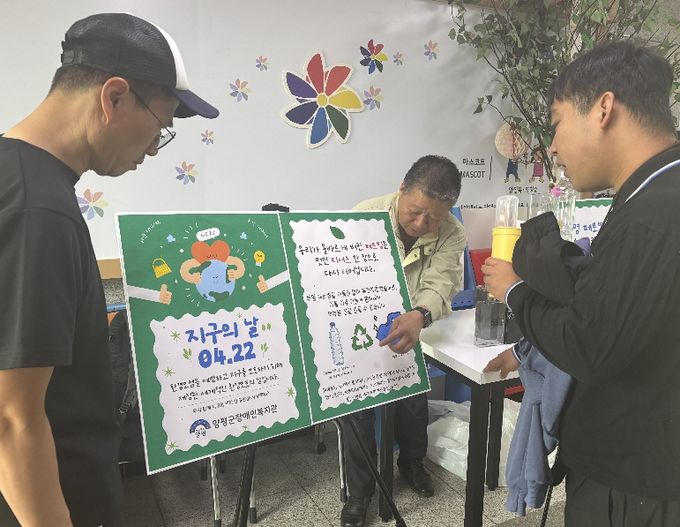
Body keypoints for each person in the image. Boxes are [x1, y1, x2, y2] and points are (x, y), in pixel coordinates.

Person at [0, 13, 218, 527]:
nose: (153, 148)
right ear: (114, 97)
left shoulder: (17, 174)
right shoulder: (38, 211)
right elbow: (10, 419)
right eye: (161, 126)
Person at [482, 40, 680, 526]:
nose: (552, 146)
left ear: (603, 109)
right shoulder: (655, 191)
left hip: (632, 485)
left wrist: (514, 290)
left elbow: (588, 343)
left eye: (556, 123)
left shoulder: (652, 214)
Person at [339, 155, 467, 527]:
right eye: (415, 212)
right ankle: (360, 491)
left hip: (413, 325)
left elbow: (441, 284)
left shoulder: (452, 233)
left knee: (412, 398)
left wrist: (419, 315)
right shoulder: (362, 218)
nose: (422, 224)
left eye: (434, 218)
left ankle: (411, 463)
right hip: (360, 329)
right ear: (401, 191)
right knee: (358, 408)